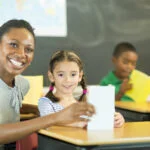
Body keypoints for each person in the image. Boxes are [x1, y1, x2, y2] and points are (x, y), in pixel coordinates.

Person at [0, 19, 95, 148]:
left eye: (28, 49)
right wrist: (55, 117)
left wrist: (34, 109)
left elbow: (8, 106)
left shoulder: (22, 84)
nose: (22, 54)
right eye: (13, 44)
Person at [38, 50, 125, 128]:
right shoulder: (46, 102)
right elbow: (47, 121)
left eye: (73, 75)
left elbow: (99, 121)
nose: (67, 80)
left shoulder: (83, 105)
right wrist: (77, 124)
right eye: (61, 75)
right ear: (51, 76)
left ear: (79, 76)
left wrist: (116, 119)